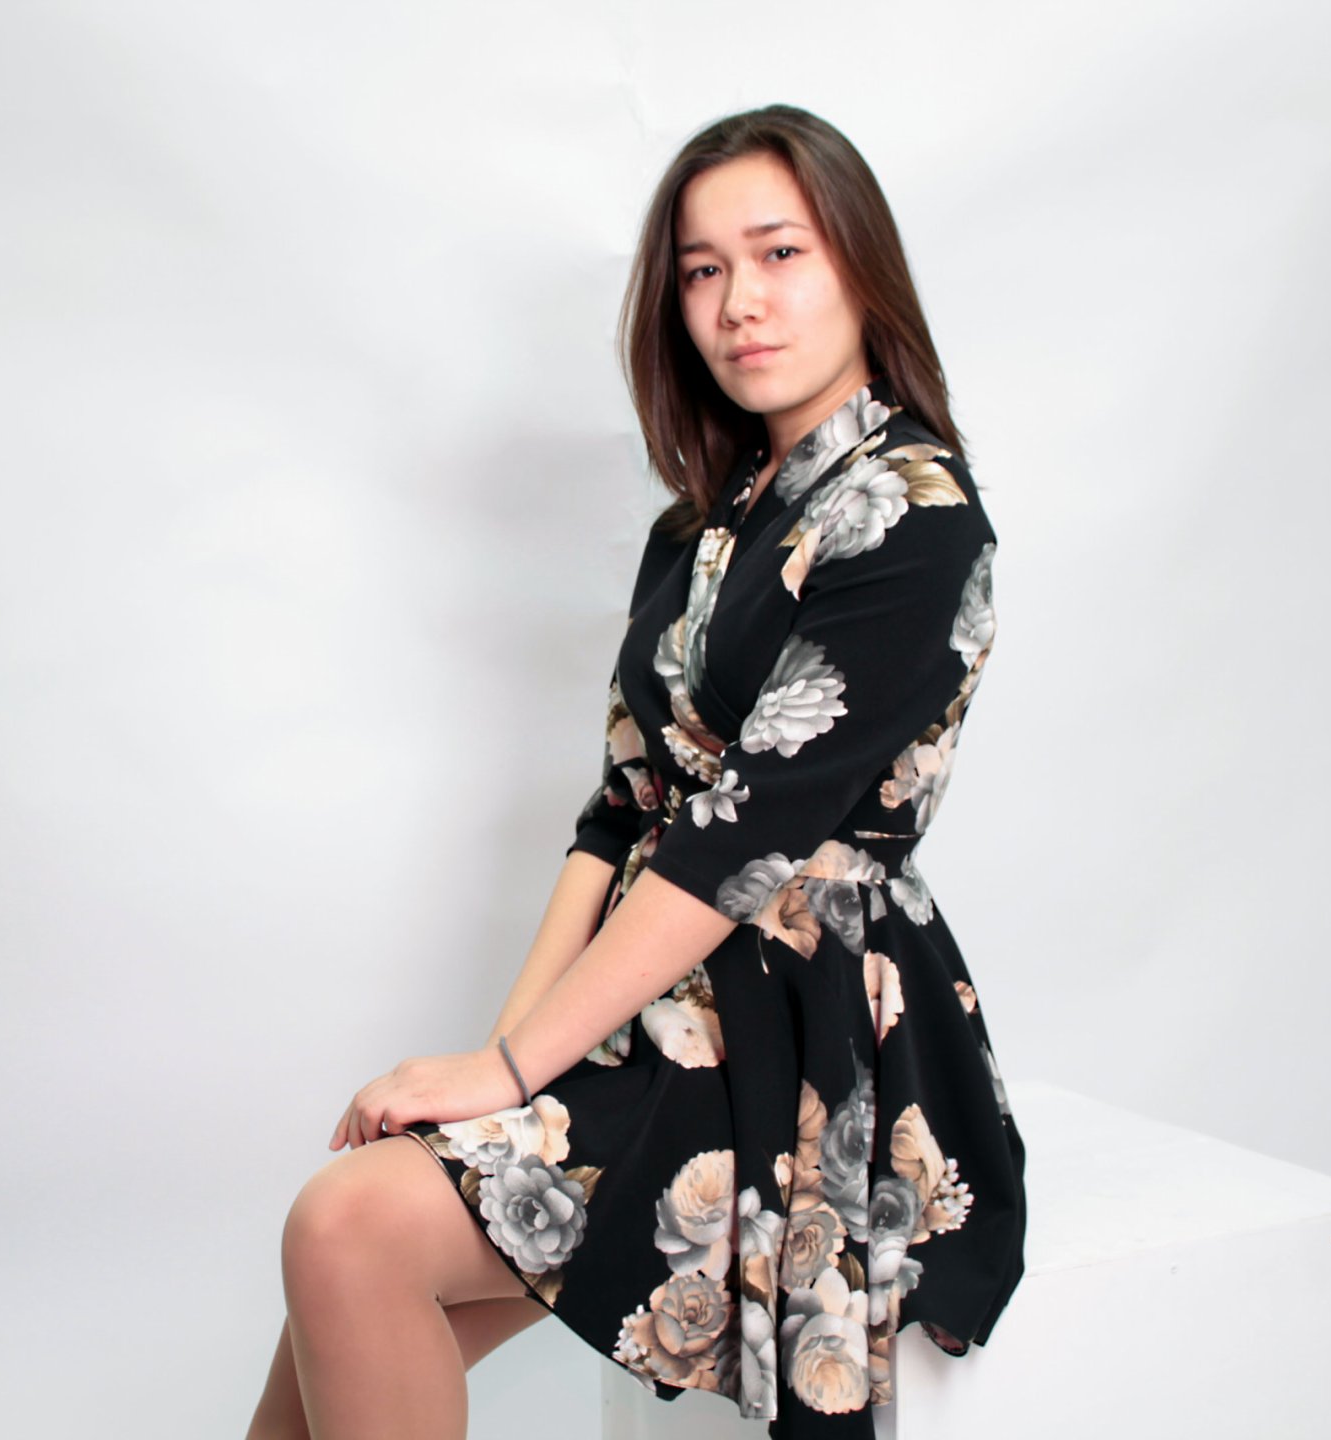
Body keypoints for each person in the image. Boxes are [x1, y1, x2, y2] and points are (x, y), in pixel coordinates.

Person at [247, 103, 1026, 1440]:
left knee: (346, 1231)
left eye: (778, 253)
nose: (738, 302)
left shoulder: (916, 514)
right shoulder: (701, 527)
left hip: (810, 1030)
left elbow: (732, 843)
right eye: (702, 269)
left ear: (860, 263)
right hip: (654, 1005)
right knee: (349, 1270)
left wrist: (508, 1068)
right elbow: (622, 815)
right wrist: (508, 1066)